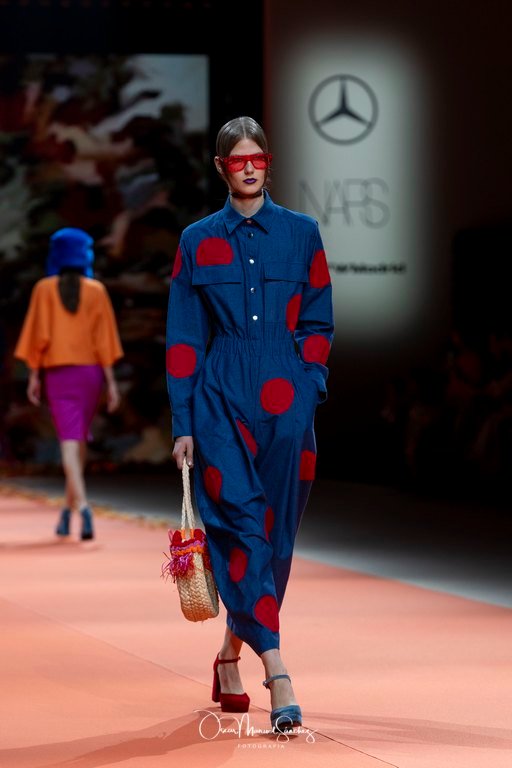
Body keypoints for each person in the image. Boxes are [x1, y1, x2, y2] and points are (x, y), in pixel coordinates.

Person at [166, 116, 334, 733]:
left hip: (287, 400)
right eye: (237, 160)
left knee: (276, 535)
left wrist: (308, 388)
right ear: (221, 168)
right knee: (241, 525)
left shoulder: (302, 233)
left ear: (268, 162)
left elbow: (318, 320)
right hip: (219, 397)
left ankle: (228, 655)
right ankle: (277, 670)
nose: (248, 168)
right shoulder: (196, 240)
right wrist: (183, 419)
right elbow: (184, 337)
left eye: (256, 158)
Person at [14, 227, 123, 540]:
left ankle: (83, 507)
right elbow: (105, 341)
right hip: (90, 376)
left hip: (59, 375)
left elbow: (38, 336)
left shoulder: (44, 289)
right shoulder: (96, 290)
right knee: (77, 441)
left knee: (70, 440)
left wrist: (34, 376)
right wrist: (111, 383)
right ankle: (68, 509)